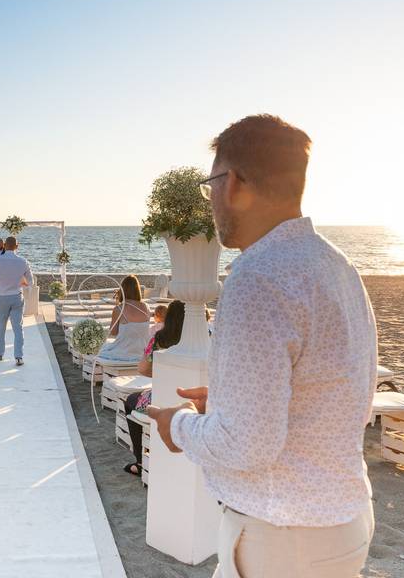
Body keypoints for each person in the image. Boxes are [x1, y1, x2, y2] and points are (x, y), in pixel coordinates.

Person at [147, 115, 377, 577]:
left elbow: (248, 447)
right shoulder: (336, 265)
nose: (210, 198)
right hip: (341, 518)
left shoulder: (258, 277)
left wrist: (180, 427)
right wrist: (234, 402)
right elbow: (343, 391)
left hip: (284, 533)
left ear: (232, 183)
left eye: (210, 182)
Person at [123, 300, 184, 477]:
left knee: (131, 400)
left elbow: (142, 369)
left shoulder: (161, 338)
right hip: (197, 400)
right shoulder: (207, 336)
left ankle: (140, 462)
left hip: (163, 399)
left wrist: (162, 374)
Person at [0, 236, 33, 366]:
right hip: (17, 296)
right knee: (18, 328)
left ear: (4, 245)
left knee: (0, 327)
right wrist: (21, 283)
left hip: (1, 297)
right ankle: (18, 357)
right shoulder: (23, 261)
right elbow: (30, 282)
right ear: (17, 246)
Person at [97, 275, 150, 362]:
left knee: (102, 349)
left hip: (125, 351)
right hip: (142, 351)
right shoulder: (146, 307)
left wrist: (118, 304)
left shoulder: (118, 309)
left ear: (122, 290)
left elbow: (113, 332)